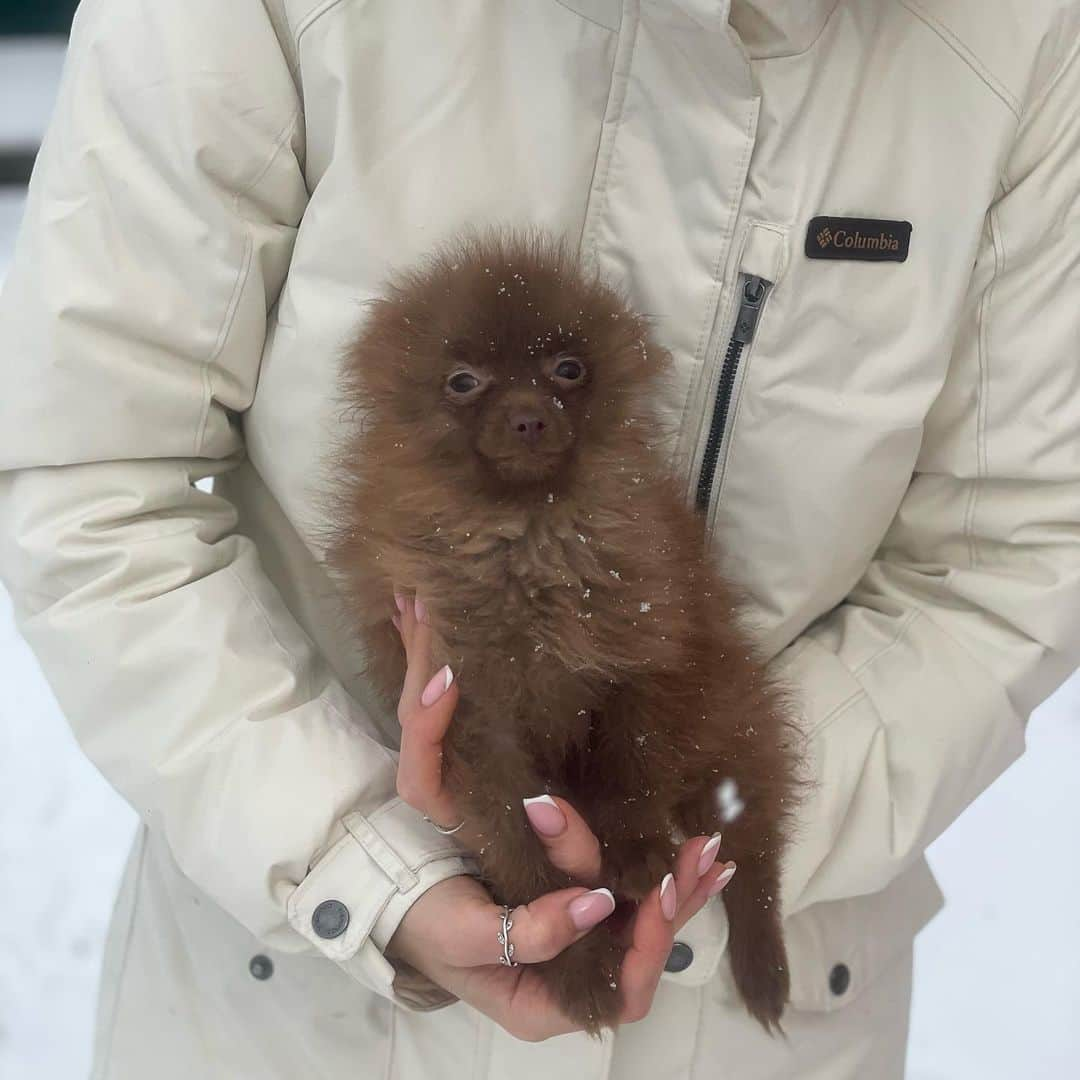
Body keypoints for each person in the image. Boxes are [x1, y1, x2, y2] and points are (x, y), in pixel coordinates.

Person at [1, 1, 1078, 1077]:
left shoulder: (1023, 37)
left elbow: (1009, 560)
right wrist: (356, 861)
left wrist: (697, 829)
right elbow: (92, 469)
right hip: (288, 1019)